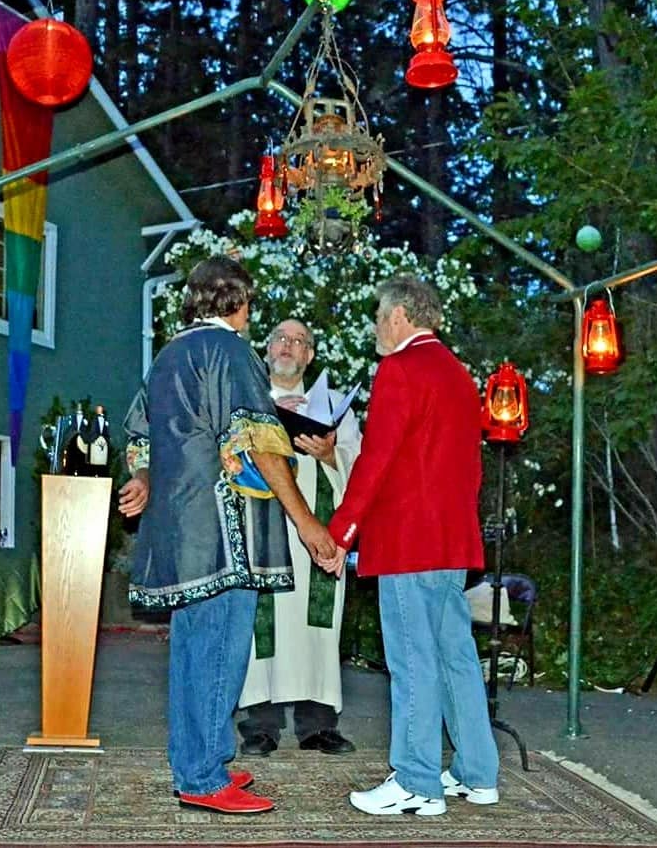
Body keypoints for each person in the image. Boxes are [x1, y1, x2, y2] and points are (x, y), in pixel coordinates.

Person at [118, 256, 337, 816]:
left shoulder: (167, 356)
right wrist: (306, 521)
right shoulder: (231, 352)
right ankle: (202, 777)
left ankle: (201, 757)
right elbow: (259, 443)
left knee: (193, 651)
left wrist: (142, 479)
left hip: (181, 529)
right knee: (218, 651)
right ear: (239, 303)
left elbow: (139, 437)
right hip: (222, 531)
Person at [326, 275, 499, 817]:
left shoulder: (400, 369)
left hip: (408, 542)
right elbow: (469, 469)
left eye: (380, 317)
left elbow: (375, 461)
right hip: (451, 541)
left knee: (413, 661)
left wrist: (341, 531)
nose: (377, 328)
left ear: (399, 316)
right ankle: (477, 773)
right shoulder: (458, 374)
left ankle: (417, 781)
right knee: (456, 658)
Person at [238, 319, 361, 756]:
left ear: (309, 355)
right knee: (263, 629)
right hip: (264, 532)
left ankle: (319, 725)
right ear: (267, 349)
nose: (288, 346)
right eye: (280, 339)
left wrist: (329, 454)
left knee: (317, 628)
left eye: (299, 341)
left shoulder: (334, 406)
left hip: (318, 537)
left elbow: (360, 466)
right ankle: (260, 725)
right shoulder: (248, 401)